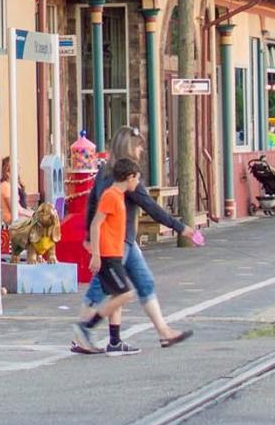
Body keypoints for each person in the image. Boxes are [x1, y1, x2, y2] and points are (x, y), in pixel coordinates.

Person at [73, 126, 199, 354]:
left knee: (139, 284)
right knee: (107, 289)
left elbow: (92, 204)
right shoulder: (126, 179)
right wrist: (180, 227)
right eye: (139, 145)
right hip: (117, 243)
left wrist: (88, 237)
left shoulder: (105, 173)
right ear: (130, 147)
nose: (141, 149)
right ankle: (83, 331)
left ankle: (157, 332)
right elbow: (150, 206)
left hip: (125, 241)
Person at [0, 155, 31, 224]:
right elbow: (16, 209)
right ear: (8, 172)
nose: (19, 168)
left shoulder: (11, 185)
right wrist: (34, 215)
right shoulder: (5, 186)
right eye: (16, 166)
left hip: (18, 220)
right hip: (12, 223)